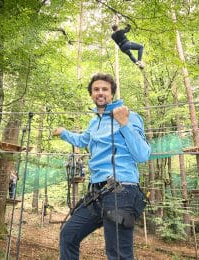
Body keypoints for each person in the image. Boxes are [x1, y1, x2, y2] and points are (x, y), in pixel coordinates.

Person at [54, 73, 151, 259]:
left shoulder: (129, 116)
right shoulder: (94, 122)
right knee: (68, 234)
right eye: (96, 89)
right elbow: (83, 139)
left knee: (118, 254)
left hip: (121, 190)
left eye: (105, 89)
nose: (100, 93)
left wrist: (124, 123)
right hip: (97, 193)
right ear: (91, 94)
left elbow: (142, 154)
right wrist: (64, 133)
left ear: (112, 94)